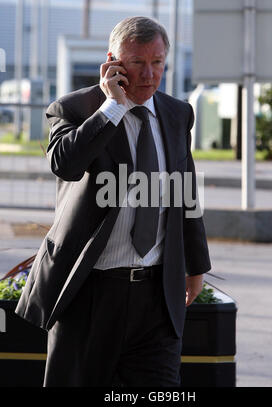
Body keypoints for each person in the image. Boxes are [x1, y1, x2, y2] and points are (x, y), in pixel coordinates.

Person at [15, 16, 211, 387]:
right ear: (113, 62)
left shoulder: (176, 113)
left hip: (156, 298)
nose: (150, 74)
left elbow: (186, 191)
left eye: (157, 62)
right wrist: (112, 107)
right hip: (90, 294)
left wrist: (196, 264)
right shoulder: (74, 108)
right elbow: (65, 165)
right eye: (138, 63)